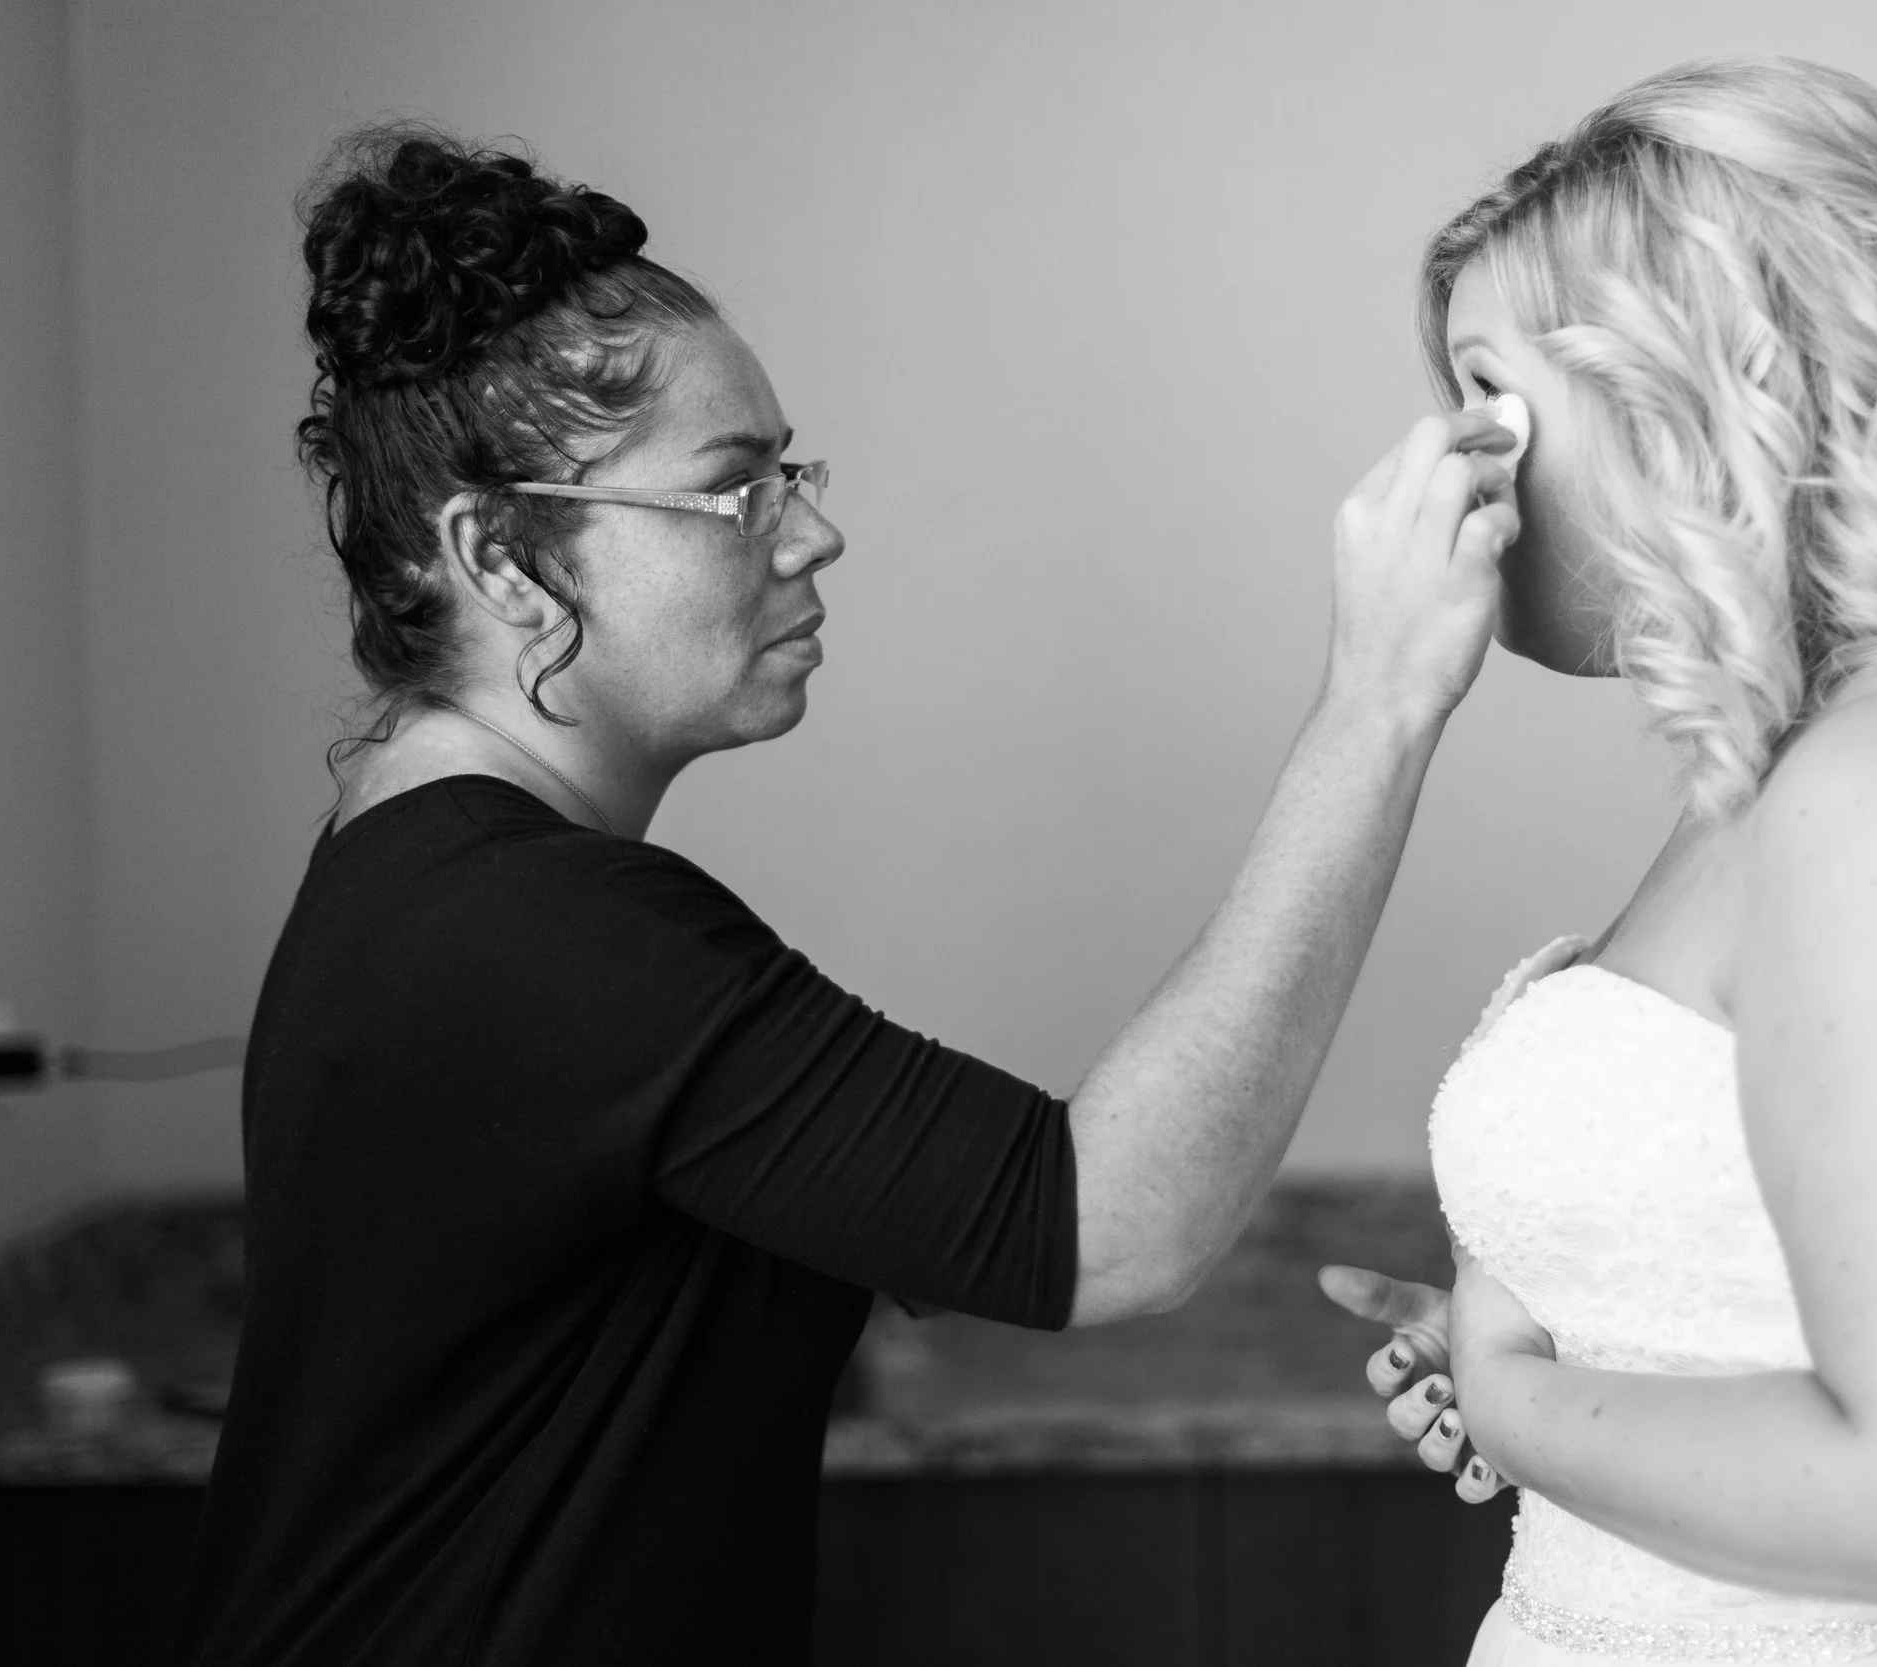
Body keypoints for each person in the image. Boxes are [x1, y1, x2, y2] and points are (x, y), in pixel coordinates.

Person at [171, 126, 1520, 1664]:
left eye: (788, 473)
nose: (813, 531)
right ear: (501, 556)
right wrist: (1380, 699)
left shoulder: (428, 875)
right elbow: (1114, 1224)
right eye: (733, 492)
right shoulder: (536, 932)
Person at [1321, 58, 1877, 1667]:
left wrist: (1515, 1400)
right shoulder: (1790, 767)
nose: (1452, 461)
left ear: (1675, 388)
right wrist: (1563, 1361)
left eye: (1488, 392)